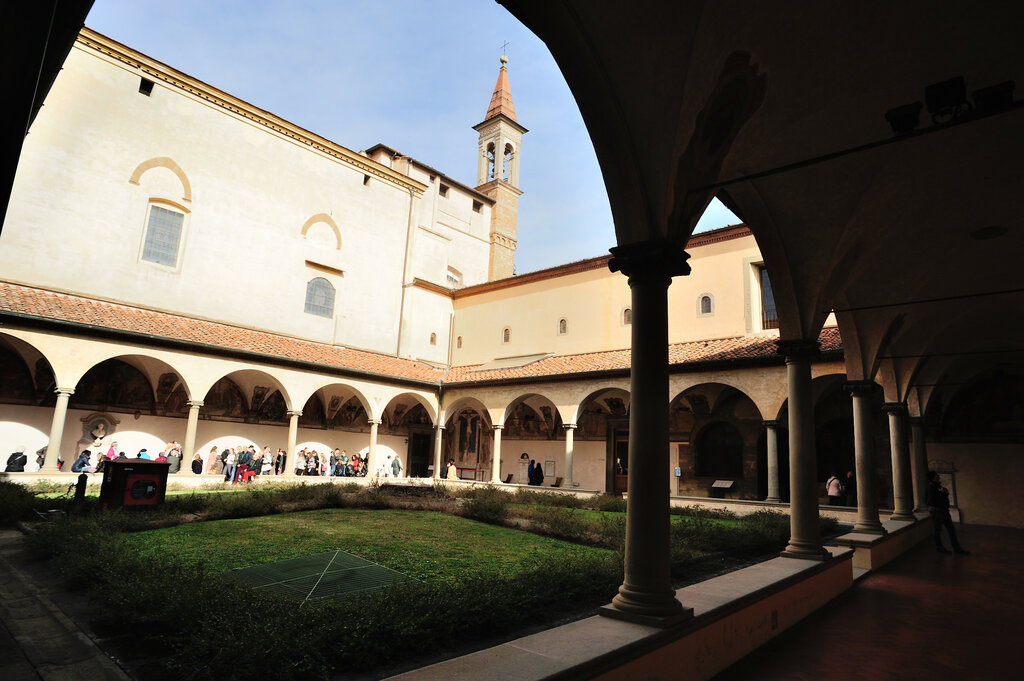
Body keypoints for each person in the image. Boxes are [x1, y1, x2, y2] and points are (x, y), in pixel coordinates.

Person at [926, 471, 969, 554]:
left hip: (943, 511)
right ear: (933, 477)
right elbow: (931, 501)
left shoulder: (936, 486)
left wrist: (944, 493)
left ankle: (955, 548)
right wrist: (943, 493)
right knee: (938, 530)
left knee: (950, 529)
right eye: (937, 475)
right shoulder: (931, 487)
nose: (938, 476)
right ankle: (941, 548)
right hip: (938, 512)